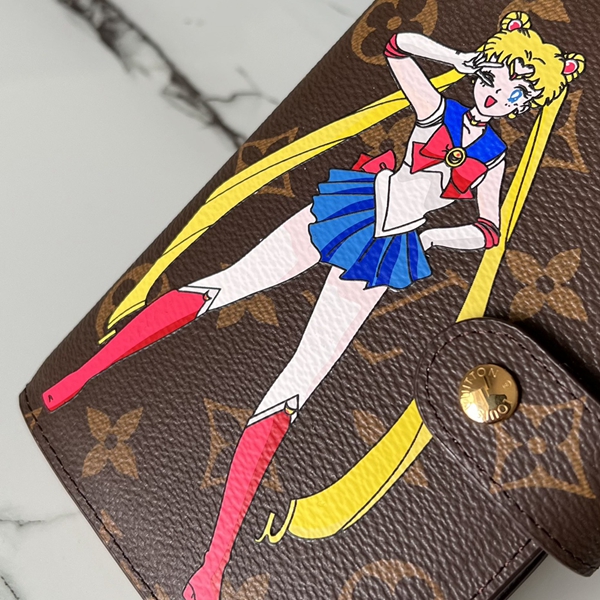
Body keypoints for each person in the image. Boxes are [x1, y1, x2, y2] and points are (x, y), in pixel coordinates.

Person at [40, 12, 584, 600]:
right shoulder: (438, 110)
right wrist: (456, 59)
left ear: (524, 104)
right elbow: (396, 47)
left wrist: (432, 237)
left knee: (299, 384)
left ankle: (213, 566)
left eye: (515, 91)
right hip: (349, 209)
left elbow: (489, 229)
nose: (497, 92)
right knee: (224, 284)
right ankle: (77, 380)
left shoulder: (493, 156)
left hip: (387, 250)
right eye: (495, 75)